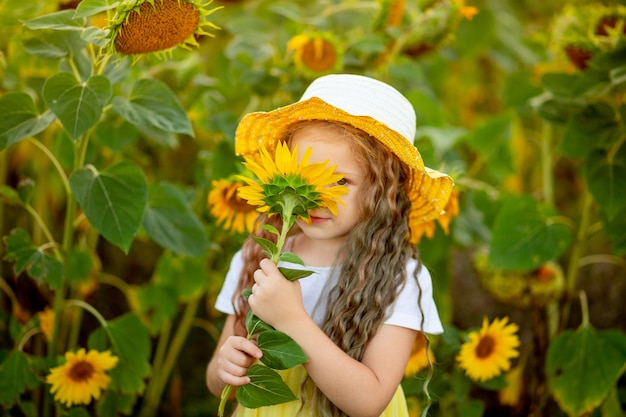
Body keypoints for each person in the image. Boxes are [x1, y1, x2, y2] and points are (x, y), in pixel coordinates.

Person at [206, 74, 455, 417]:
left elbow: (368, 402)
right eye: (305, 177)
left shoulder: (399, 277)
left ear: (383, 192)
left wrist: (292, 320)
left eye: (340, 181)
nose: (318, 197)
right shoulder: (260, 256)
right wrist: (227, 366)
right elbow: (216, 383)